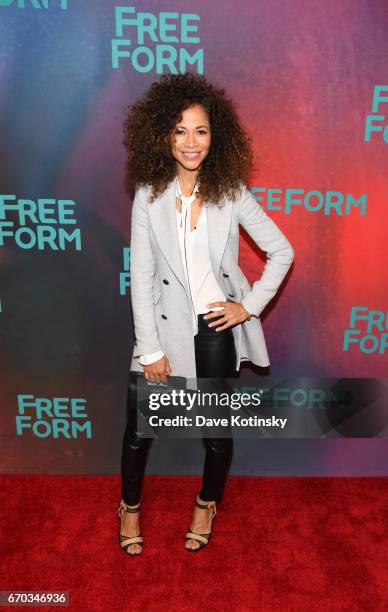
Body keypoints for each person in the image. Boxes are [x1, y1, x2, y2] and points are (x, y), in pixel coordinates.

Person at [118, 72, 294, 555]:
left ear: (216, 137)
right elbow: (144, 276)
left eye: (200, 131)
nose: (190, 142)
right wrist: (149, 348)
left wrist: (248, 306)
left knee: (216, 434)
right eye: (179, 130)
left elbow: (282, 251)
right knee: (138, 433)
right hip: (163, 331)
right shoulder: (148, 196)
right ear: (162, 135)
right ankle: (129, 508)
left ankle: (206, 503)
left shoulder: (230, 192)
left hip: (213, 331)